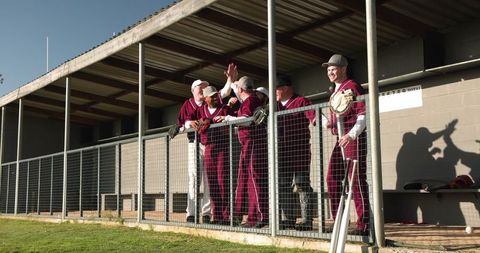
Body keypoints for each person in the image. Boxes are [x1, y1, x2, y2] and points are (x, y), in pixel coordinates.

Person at [175, 63, 237, 223]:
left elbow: (224, 91)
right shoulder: (188, 104)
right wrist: (189, 124)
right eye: (200, 87)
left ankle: (207, 213)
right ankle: (191, 212)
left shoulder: (210, 102)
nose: (203, 88)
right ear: (193, 90)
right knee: (194, 177)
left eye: (205, 87)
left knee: (211, 180)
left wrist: (230, 79)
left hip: (210, 144)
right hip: (193, 143)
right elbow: (181, 123)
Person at [323, 54, 369, 235]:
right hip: (340, 138)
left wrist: (352, 134)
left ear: (343, 69)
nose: (330, 73)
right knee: (331, 178)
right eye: (328, 70)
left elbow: (363, 114)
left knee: (355, 180)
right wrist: (331, 123)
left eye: (333, 69)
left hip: (352, 138)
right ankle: (339, 221)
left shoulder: (352, 86)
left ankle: (364, 224)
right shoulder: (335, 90)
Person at [215, 76, 268, 228]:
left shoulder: (250, 101)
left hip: (253, 142)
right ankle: (249, 217)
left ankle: (260, 217)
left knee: (254, 180)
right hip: (248, 143)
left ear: (241, 89)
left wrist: (227, 118)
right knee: (247, 180)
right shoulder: (250, 101)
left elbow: (247, 120)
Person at [275, 76, 315, 231]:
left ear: (285, 88)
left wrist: (319, 121)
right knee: (284, 185)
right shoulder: (276, 106)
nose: (275, 92)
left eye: (277, 89)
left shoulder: (301, 101)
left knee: (302, 183)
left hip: (299, 150)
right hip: (282, 152)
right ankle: (288, 219)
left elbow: (313, 115)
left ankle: (307, 220)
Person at [192, 86, 234, 225]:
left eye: (216, 95)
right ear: (205, 98)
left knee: (223, 181)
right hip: (208, 148)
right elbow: (191, 122)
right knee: (212, 183)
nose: (215, 97)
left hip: (222, 147)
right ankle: (215, 215)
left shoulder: (224, 109)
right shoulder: (200, 110)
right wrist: (193, 123)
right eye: (212, 96)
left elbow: (233, 117)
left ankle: (226, 215)